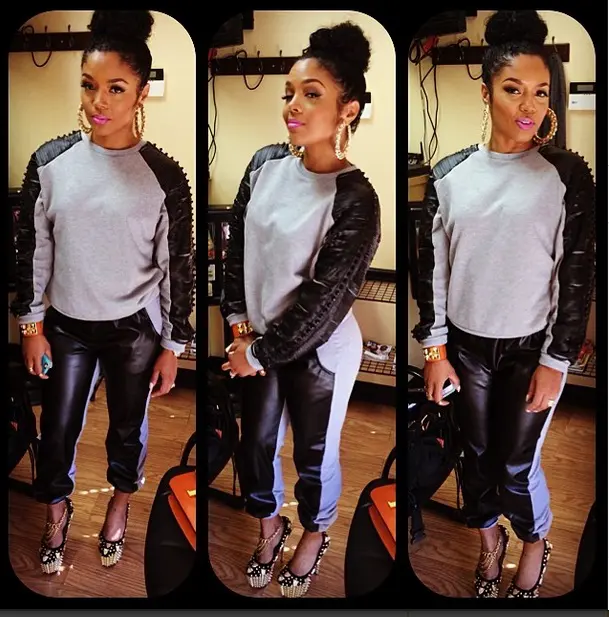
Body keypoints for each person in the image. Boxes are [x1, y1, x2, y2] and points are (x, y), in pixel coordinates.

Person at [412, 10, 595, 599]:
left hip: (531, 349)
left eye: (541, 92)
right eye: (513, 89)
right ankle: (489, 541)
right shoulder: (449, 175)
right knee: (475, 455)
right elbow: (432, 270)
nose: (528, 105)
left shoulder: (566, 175)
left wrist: (556, 361)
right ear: (486, 90)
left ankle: (535, 540)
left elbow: (576, 275)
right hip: (465, 348)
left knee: (515, 464)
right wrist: (435, 351)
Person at [10, 10, 195, 574]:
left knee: (127, 429)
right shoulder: (50, 163)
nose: (99, 101)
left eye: (116, 88)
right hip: (65, 326)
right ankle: (57, 512)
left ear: (141, 92)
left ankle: (119, 504)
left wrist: (174, 345)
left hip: (133, 330)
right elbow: (32, 251)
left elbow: (177, 267)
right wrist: (31, 326)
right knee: (57, 428)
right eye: (89, 85)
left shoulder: (164, 177)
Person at [220, 21, 381, 598]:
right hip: (257, 342)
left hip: (320, 351)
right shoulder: (263, 165)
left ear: (347, 110)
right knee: (256, 447)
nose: (293, 105)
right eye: (289, 92)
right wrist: (239, 325)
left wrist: (258, 351)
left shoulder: (357, 197)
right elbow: (236, 252)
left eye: (312, 94)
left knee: (315, 455)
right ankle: (270, 529)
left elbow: (325, 299)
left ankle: (315, 533)